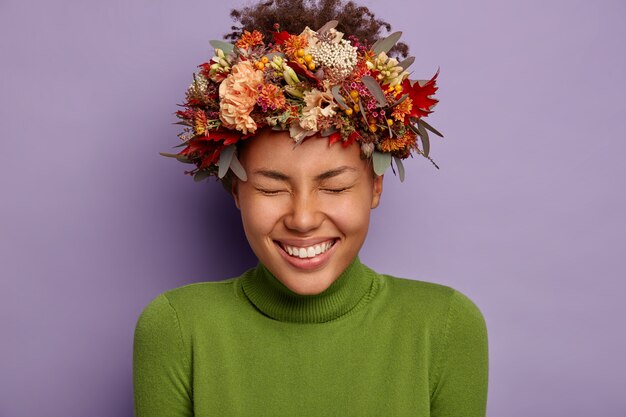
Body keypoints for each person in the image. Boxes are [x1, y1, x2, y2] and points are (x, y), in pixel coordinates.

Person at [133, 1, 489, 416]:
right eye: (270, 188)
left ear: (375, 187)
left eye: (334, 187)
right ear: (235, 189)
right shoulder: (177, 328)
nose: (303, 219)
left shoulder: (444, 326)